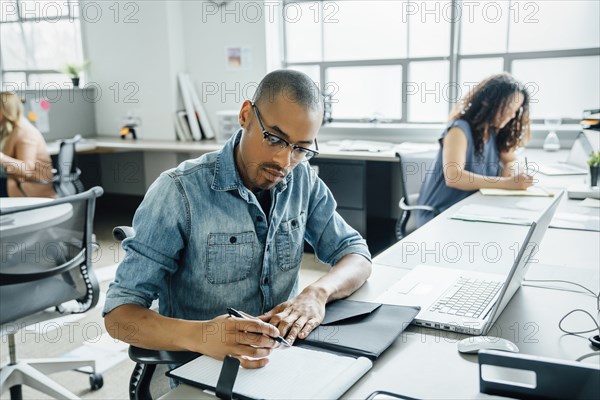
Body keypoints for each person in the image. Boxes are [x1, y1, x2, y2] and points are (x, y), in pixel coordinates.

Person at [103, 70, 372, 369]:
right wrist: (202, 335)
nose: (285, 162)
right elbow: (118, 315)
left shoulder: (302, 179)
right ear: (245, 115)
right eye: (275, 139)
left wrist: (316, 293)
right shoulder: (178, 192)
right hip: (202, 364)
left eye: (301, 149)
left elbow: (356, 253)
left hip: (282, 360)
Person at [416, 73, 533, 227]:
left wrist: (513, 172)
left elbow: (512, 160)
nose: (511, 116)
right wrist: (506, 183)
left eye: (516, 111)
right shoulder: (459, 129)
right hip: (441, 214)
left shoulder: (493, 132)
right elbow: (454, 176)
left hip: (472, 209)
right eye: (509, 108)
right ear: (490, 103)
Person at [0, 91, 56, 198]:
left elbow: (27, 169)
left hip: (31, 191)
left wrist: (1, 157)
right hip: (18, 184)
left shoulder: (24, 132)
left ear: (4, 111)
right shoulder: (12, 128)